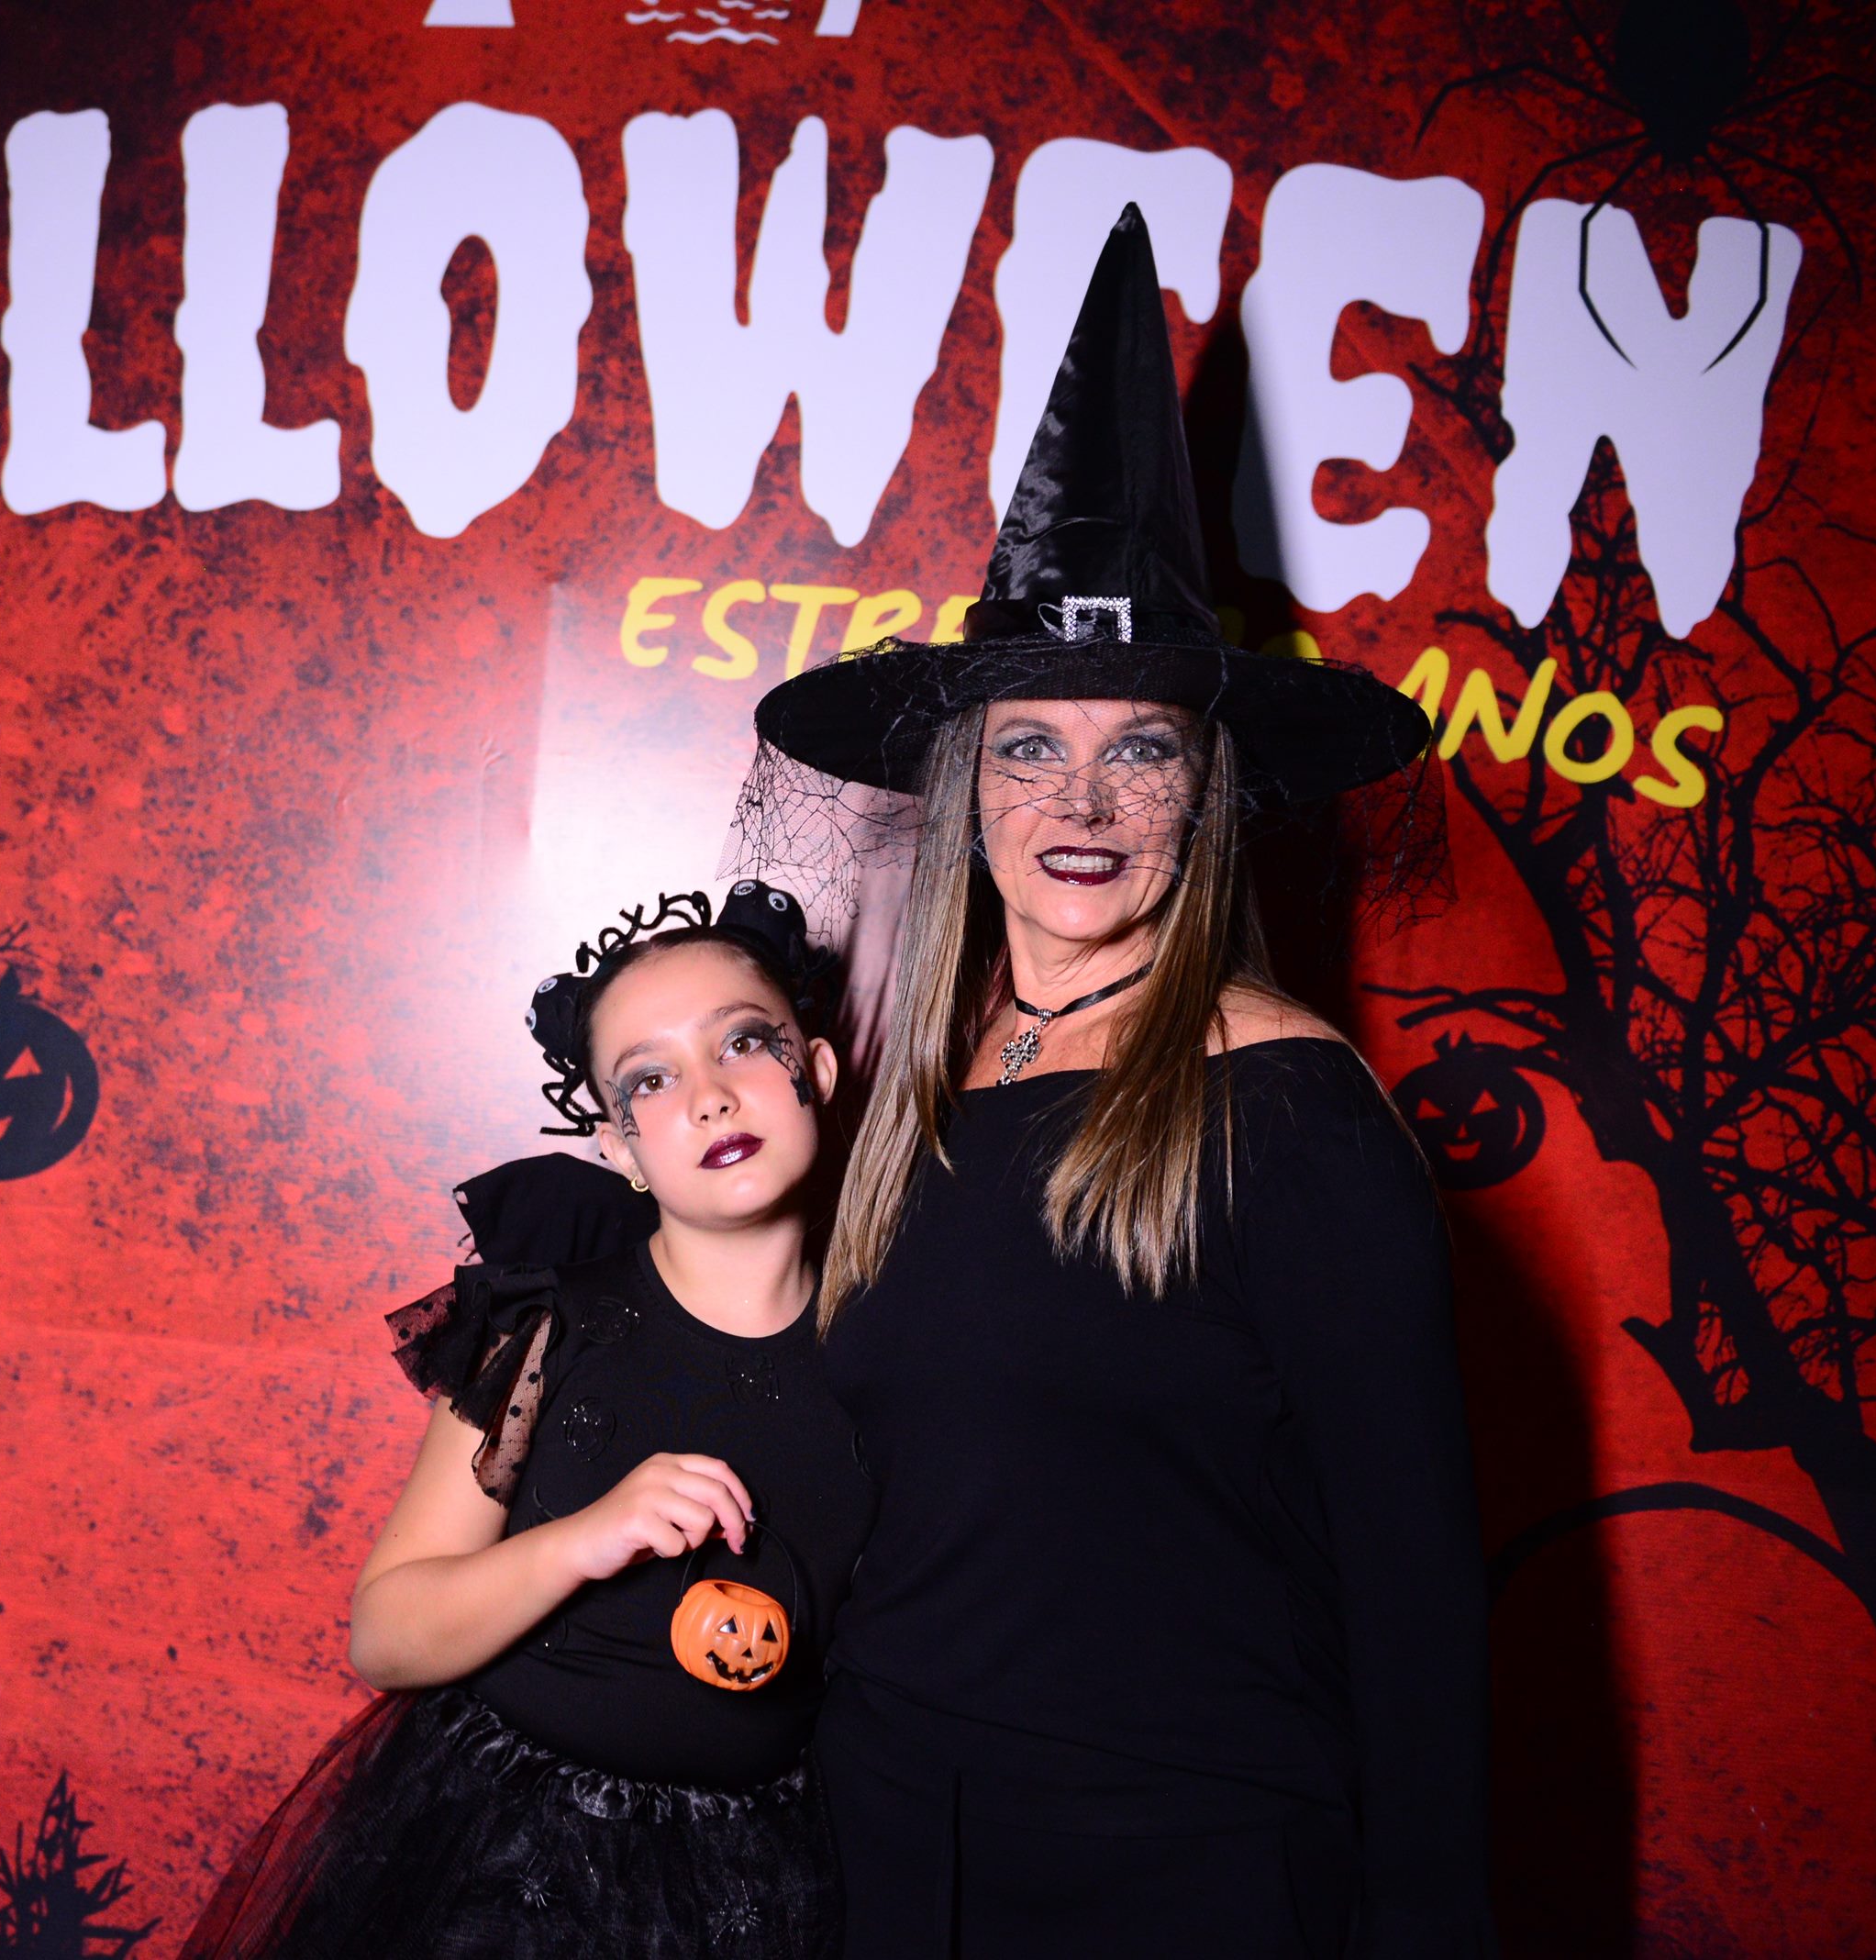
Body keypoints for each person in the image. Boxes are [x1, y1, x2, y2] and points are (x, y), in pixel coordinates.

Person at [738, 206, 1494, 1955]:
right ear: (963, 787)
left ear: (1206, 792)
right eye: (1028, 745)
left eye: (1138, 747)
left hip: (1178, 1873)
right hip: (888, 1846)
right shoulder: (907, 1093)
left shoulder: (1289, 1115)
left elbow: (1415, 1604)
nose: (1079, 803)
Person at [178, 885, 871, 1960]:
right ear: (617, 1147)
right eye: (650, 1078)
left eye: (743, 1042)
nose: (708, 1096)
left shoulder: (893, 1354)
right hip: (507, 1865)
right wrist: (581, 1541)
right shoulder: (549, 1324)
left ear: (815, 1071)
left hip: (752, 1886)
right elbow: (385, 1636)